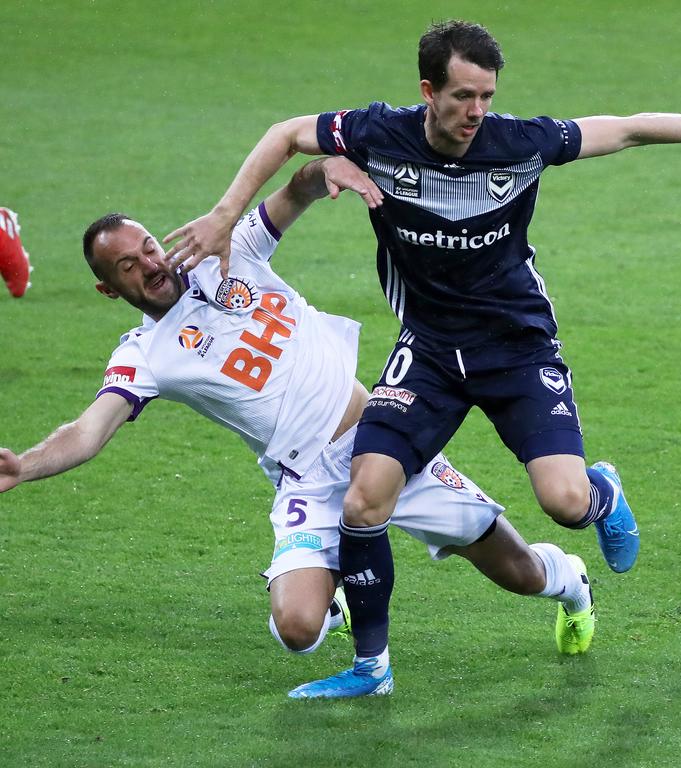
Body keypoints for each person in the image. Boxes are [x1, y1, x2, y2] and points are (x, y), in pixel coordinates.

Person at [164, 19, 681, 691]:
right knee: (362, 502)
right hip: (431, 354)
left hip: (516, 349)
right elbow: (286, 132)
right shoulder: (379, 133)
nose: (476, 112)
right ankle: (371, 668)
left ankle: (602, 493)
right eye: (463, 96)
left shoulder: (516, 142)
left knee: (562, 501)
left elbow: (627, 127)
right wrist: (224, 214)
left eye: (487, 96)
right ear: (428, 90)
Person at [0, 156, 597, 700]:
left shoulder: (230, 252)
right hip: (306, 482)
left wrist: (322, 173)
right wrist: (24, 466)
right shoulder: (143, 354)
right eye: (127, 265)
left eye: (149, 246)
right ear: (109, 289)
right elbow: (88, 430)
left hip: (381, 447)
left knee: (520, 574)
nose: (150, 264)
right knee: (297, 631)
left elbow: (296, 191)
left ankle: (571, 581)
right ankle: (333, 583)